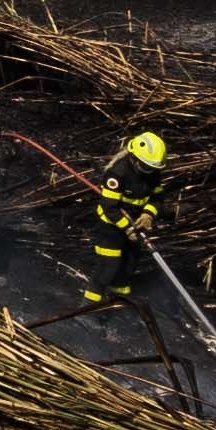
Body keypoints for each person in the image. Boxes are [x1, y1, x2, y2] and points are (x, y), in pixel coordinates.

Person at [86, 130, 169, 305]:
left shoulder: (152, 173)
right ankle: (90, 304)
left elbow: (157, 198)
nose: (150, 171)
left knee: (129, 263)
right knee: (108, 266)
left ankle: (119, 298)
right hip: (112, 227)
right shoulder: (117, 173)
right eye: (146, 167)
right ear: (134, 157)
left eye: (153, 168)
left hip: (135, 224)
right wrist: (126, 227)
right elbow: (110, 207)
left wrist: (148, 214)